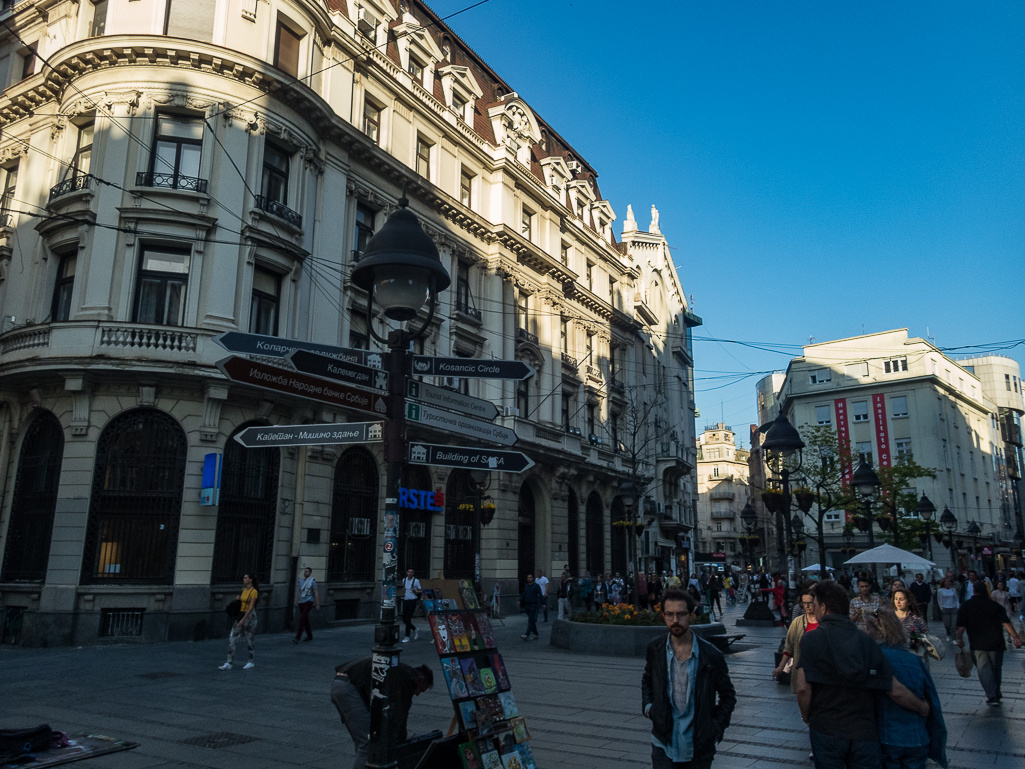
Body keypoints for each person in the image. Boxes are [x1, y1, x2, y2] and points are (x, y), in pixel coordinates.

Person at [795, 580, 931, 769]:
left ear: (824, 608)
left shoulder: (810, 639)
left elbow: (803, 688)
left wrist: (807, 716)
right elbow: (895, 689)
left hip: (826, 727)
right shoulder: (866, 641)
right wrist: (922, 707)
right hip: (864, 730)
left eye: (815, 605)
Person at [641, 587, 736, 768]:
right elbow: (647, 679)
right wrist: (648, 707)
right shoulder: (656, 648)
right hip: (663, 743)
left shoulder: (710, 655)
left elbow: (728, 696)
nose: (675, 620)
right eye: (669, 614)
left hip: (698, 746)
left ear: (691, 615)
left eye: (681, 614)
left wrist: (715, 728)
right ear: (663, 616)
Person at [865, 609, 947, 769]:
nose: (865, 632)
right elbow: (931, 696)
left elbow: (896, 692)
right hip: (917, 736)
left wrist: (922, 708)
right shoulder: (914, 660)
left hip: (888, 736)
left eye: (868, 628)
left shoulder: (876, 658)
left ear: (880, 630)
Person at [331, 656, 433, 769]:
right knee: (367, 744)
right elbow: (402, 713)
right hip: (348, 687)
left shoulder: (405, 671)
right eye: (422, 690)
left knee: (364, 741)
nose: (417, 693)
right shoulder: (410, 679)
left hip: (345, 683)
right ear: (422, 679)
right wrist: (401, 738)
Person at [955, 582, 1023, 705]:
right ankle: (996, 692)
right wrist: (1016, 637)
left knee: (984, 670)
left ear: (974, 591)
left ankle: (992, 695)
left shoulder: (966, 606)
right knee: (996, 669)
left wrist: (959, 639)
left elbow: (961, 627)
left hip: (977, 643)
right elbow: (1006, 623)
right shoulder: (994, 606)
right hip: (996, 642)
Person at [773, 582, 819, 693]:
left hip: (819, 669)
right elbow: (789, 647)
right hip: (802, 667)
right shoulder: (798, 622)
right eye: (804, 603)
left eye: (810, 603)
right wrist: (781, 667)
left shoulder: (823, 622)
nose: (807, 606)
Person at [220, 573, 259, 670]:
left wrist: (243, 619)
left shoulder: (254, 591)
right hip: (241, 614)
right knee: (232, 637)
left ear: (250, 580)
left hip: (249, 617)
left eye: (246, 578)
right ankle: (229, 662)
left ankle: (251, 661)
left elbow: (251, 607)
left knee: (249, 638)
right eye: (244, 578)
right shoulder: (243, 590)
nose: (243, 579)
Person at [293, 566, 320, 644]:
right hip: (302, 602)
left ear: (310, 573)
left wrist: (317, 603)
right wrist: (298, 600)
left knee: (302, 619)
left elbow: (316, 592)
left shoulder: (312, 581)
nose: (306, 573)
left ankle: (297, 637)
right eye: (305, 571)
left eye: (307, 571)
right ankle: (310, 635)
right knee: (305, 620)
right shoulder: (301, 581)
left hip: (309, 602)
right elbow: (299, 591)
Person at [935, 576, 960, 641]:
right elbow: (939, 600)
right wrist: (941, 608)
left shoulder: (953, 590)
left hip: (953, 608)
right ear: (944, 583)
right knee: (947, 624)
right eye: (946, 581)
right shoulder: (940, 590)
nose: (948, 583)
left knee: (954, 625)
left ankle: (954, 638)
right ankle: (948, 633)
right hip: (945, 608)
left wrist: (957, 607)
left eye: (949, 581)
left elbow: (956, 599)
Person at [401, 568, 421, 643]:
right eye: (409, 572)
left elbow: (420, 590)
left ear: (413, 573)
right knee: (404, 619)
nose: (410, 573)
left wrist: (415, 591)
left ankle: (407, 636)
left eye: (411, 572)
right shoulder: (404, 580)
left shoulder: (416, 581)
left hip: (412, 601)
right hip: (406, 600)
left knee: (408, 618)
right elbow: (404, 588)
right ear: (407, 573)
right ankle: (415, 629)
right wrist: (404, 590)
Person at [520, 572, 542, 640]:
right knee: (532, 620)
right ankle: (535, 633)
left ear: (533, 578)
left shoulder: (536, 586)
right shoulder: (526, 586)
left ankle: (527, 634)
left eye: (530, 577)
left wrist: (543, 603)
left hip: (533, 604)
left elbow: (540, 594)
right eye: (528, 578)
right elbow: (524, 593)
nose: (529, 579)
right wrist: (520, 599)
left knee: (530, 620)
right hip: (527, 605)